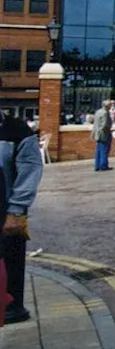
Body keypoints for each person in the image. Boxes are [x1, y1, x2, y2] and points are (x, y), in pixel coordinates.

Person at [1, 108, 44, 324]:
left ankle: (12, 308)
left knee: (8, 270)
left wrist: (16, 210)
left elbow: (30, 170)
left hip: (6, 213)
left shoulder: (16, 130)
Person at [92, 99, 115, 172]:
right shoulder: (105, 113)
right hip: (104, 133)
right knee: (104, 150)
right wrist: (108, 130)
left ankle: (97, 165)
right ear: (107, 106)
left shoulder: (98, 111)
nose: (110, 107)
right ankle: (103, 165)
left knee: (98, 150)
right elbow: (105, 124)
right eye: (110, 105)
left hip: (97, 133)